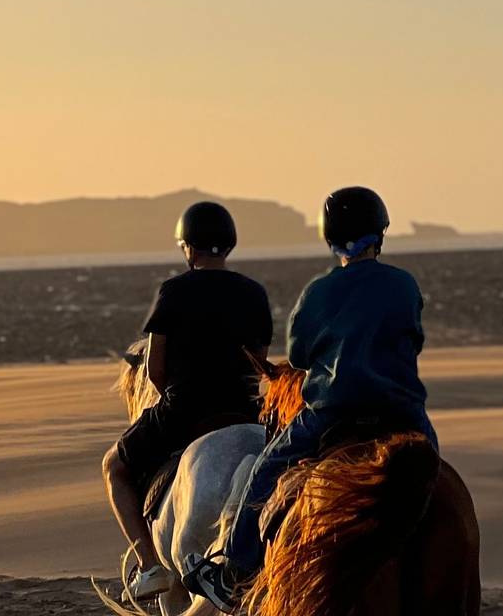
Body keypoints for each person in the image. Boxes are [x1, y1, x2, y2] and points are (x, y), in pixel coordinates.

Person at [184, 186, 438, 610]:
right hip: (402, 412)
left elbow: (300, 356)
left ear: (330, 238)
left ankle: (232, 570)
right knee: (429, 464)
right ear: (381, 233)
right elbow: (413, 338)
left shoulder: (317, 293)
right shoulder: (404, 284)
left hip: (332, 413)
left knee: (265, 472)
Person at [102, 202, 274, 600]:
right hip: (247, 410)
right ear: (228, 246)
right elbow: (260, 362)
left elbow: (155, 370)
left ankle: (150, 567)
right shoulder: (254, 293)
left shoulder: (174, 291)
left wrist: (174, 402)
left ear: (187, 247)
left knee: (114, 468)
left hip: (185, 407)